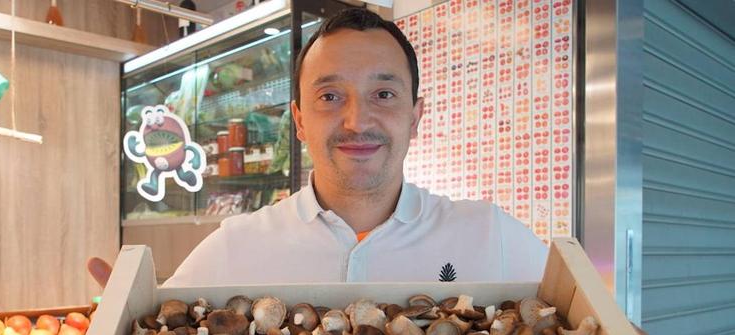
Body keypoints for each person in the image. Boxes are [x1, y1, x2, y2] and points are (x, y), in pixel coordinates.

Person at [162, 7, 547, 287]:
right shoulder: (233, 250)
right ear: (298, 121)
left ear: (414, 116)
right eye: (330, 97)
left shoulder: (492, 237)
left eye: (383, 93)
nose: (357, 121)